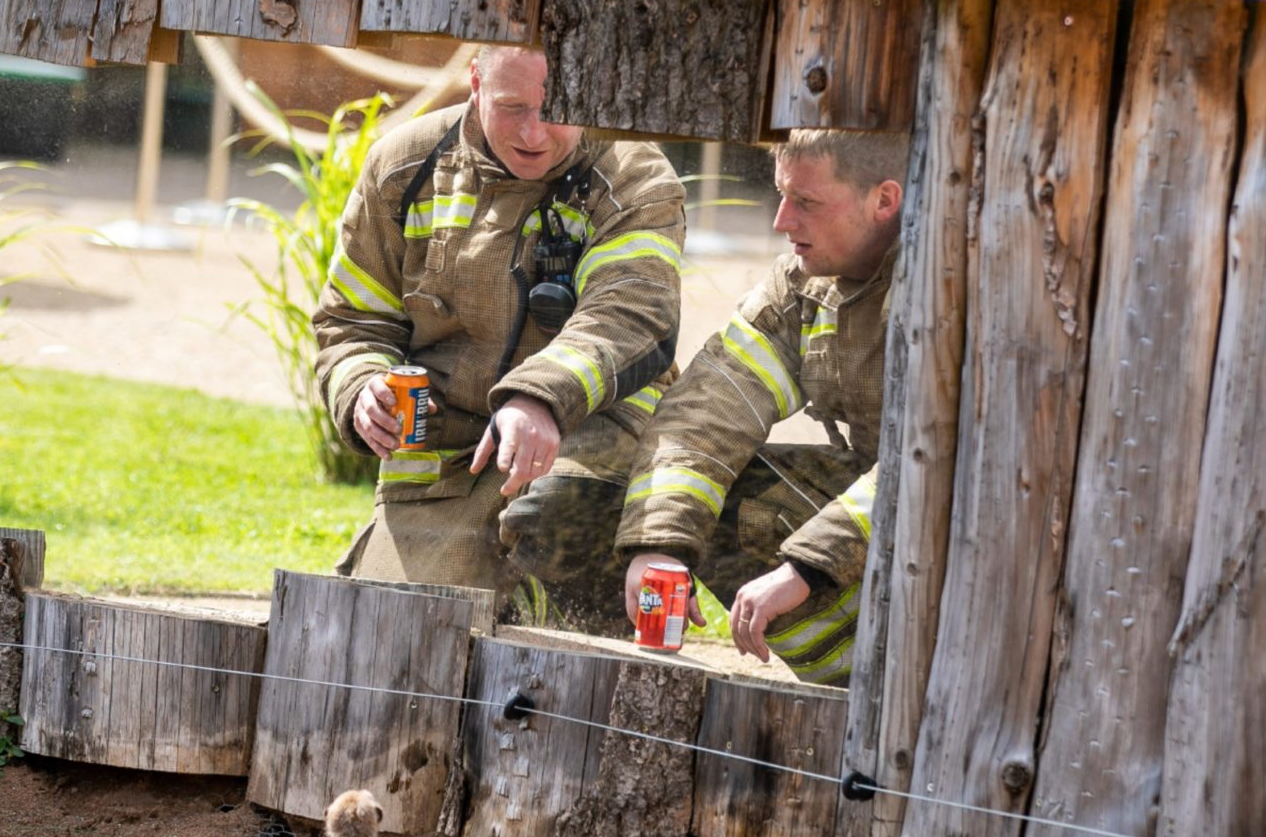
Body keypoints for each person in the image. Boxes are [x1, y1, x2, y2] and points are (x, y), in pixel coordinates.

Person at [313, 45, 685, 611]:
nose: (535, 133)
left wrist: (541, 399)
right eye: (512, 107)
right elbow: (352, 319)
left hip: (592, 430)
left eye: (556, 109)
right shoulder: (404, 167)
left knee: (555, 524)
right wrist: (362, 386)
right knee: (396, 634)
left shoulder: (634, 174)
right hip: (447, 453)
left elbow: (631, 315)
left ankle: (576, 661)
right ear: (475, 83)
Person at [613, 128, 906, 686]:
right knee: (722, 497)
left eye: (807, 202)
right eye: (781, 195)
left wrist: (807, 566)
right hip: (888, 521)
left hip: (981, 550)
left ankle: (899, 694)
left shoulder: (950, 288)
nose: (781, 221)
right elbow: (706, 412)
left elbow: (938, 463)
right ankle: (853, 689)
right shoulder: (802, 285)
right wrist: (660, 543)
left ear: (885, 201)